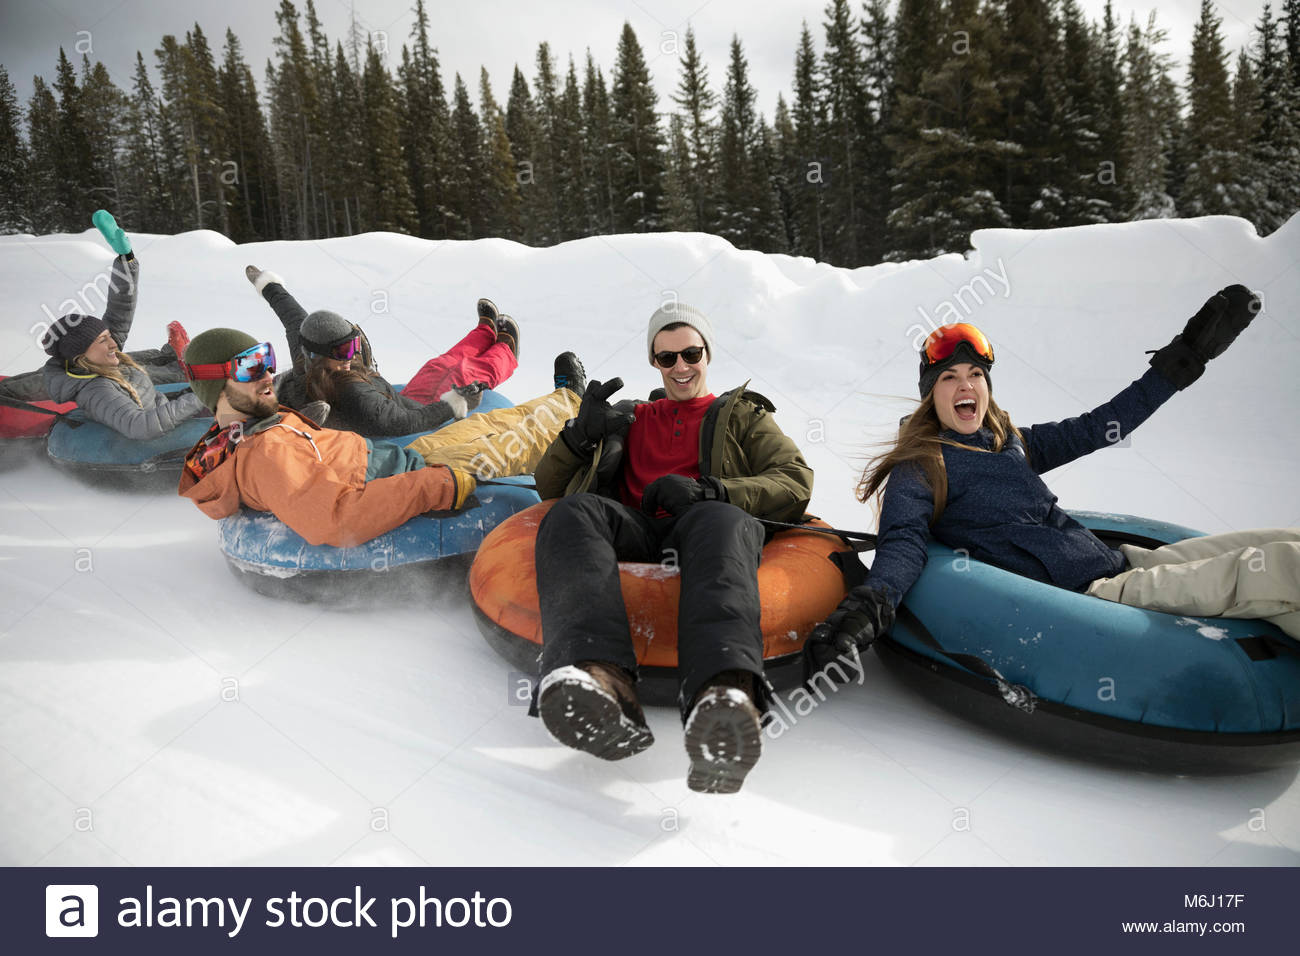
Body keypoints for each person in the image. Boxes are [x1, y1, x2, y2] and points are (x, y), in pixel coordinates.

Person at [807, 286, 1300, 674]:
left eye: (975, 374)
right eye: (949, 377)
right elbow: (904, 541)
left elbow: (1102, 426)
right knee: (1281, 567)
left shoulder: (1010, 440)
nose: (965, 385)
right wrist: (868, 605)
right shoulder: (921, 467)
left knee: (1284, 540)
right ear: (931, 396)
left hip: (1127, 563)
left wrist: (1182, 360)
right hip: (1098, 596)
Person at [530, 303, 814, 794]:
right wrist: (580, 434)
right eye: (667, 358)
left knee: (722, 521)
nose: (681, 367)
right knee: (571, 512)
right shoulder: (629, 417)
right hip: (635, 527)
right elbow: (547, 485)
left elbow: (794, 481)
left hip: (704, 522)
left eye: (690, 353)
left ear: (707, 353)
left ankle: (724, 695)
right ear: (654, 363)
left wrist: (711, 491)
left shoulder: (741, 416)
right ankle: (601, 680)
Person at [177, 327, 585, 548]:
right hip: (420, 473)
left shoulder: (242, 428)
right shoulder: (265, 454)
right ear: (216, 386)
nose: (268, 374)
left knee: (485, 423)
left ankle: (567, 398)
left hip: (391, 456)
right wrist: (438, 485)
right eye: (250, 368)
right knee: (521, 442)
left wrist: (308, 424)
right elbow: (337, 521)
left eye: (265, 359)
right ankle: (587, 417)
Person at [245, 265, 520, 436]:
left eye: (353, 345)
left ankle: (485, 332)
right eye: (341, 351)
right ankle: (505, 351)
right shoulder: (352, 393)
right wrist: (454, 403)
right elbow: (403, 424)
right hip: (424, 420)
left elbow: (293, 317)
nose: (350, 357)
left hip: (397, 398)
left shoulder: (307, 360)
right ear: (318, 356)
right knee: (462, 374)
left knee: (435, 367)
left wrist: (268, 285)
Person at [37, 210, 203, 440]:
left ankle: (176, 362)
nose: (114, 343)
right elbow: (140, 427)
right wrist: (202, 397)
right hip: (158, 442)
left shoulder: (99, 360)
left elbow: (120, 308)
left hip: (162, 410)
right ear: (80, 356)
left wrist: (127, 259)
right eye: (103, 340)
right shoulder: (96, 390)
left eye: (108, 336)